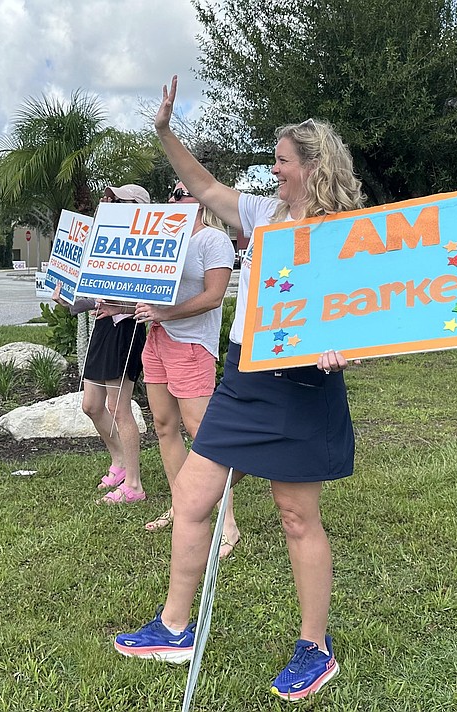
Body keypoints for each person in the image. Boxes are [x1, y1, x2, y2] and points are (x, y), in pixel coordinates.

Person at [114, 77, 360, 702]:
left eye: (281, 160)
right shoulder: (262, 214)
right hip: (244, 374)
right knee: (194, 497)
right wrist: (166, 131)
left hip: (305, 383)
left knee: (297, 517)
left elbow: (367, 311)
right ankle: (175, 628)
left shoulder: (346, 230)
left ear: (312, 166)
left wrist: (344, 348)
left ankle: (315, 645)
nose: (272, 170)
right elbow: (203, 186)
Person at [133, 181, 241, 560]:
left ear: (203, 198)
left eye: (182, 193)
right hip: (157, 339)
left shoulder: (213, 240)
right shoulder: (165, 239)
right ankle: (182, 505)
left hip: (192, 345)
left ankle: (227, 522)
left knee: (203, 434)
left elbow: (213, 297)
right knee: (163, 426)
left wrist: (165, 313)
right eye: (171, 192)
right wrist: (118, 308)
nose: (173, 198)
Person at [61, 184, 150, 505]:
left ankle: (135, 486)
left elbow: (149, 302)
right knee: (91, 405)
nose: (108, 203)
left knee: (118, 408)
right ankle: (120, 463)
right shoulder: (107, 243)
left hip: (125, 332)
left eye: (117, 200)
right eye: (109, 199)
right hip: (103, 329)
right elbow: (95, 295)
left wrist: (119, 308)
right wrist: (69, 299)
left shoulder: (148, 246)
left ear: (137, 207)